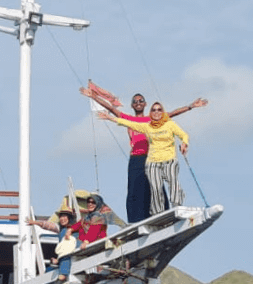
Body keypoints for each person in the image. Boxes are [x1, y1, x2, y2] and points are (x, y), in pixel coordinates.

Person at [80, 83, 206, 222]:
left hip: (152, 157)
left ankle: (161, 215)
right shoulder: (128, 119)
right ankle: (137, 220)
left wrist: (191, 106)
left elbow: (173, 113)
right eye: (135, 101)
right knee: (135, 189)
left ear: (145, 104)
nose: (138, 103)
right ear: (132, 105)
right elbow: (110, 107)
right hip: (136, 158)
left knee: (156, 186)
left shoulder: (153, 119)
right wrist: (94, 97)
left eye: (141, 101)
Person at [99, 102, 189, 216]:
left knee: (173, 183)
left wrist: (185, 144)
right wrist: (110, 118)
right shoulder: (147, 126)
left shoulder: (170, 124)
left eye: (159, 109)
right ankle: (158, 213)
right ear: (150, 113)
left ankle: (177, 206)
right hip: (153, 162)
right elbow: (129, 123)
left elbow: (183, 135)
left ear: (163, 112)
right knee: (155, 188)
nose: (156, 112)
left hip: (169, 160)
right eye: (154, 110)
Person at [27, 208, 78, 284]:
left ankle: (62, 277)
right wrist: (35, 222)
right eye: (61, 217)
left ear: (70, 218)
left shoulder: (74, 229)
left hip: (72, 257)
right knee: (48, 271)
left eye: (65, 216)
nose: (62, 219)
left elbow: (69, 248)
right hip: (65, 258)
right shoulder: (61, 229)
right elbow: (49, 225)